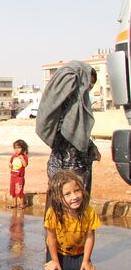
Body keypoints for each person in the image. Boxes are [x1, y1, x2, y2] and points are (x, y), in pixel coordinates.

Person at [36, 61, 101, 193]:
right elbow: (69, 134)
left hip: (77, 172)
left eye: (93, 82)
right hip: (65, 171)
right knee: (61, 205)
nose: (91, 86)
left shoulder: (78, 109)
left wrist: (92, 147)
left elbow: (79, 133)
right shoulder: (65, 109)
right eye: (90, 81)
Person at [44, 170, 101, 270]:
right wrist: (54, 260)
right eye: (67, 194)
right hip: (58, 252)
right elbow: (51, 238)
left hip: (79, 253)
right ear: (58, 197)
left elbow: (90, 236)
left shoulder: (88, 212)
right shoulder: (53, 213)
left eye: (77, 191)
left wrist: (87, 261)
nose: (74, 197)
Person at [9, 139, 29, 209]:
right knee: (13, 190)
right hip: (13, 176)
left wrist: (22, 159)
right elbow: (10, 164)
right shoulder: (13, 156)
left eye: (19, 148)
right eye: (15, 148)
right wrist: (10, 166)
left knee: (19, 190)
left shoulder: (24, 157)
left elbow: (25, 165)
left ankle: (22, 204)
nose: (17, 150)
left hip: (19, 177)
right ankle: (15, 203)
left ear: (23, 148)